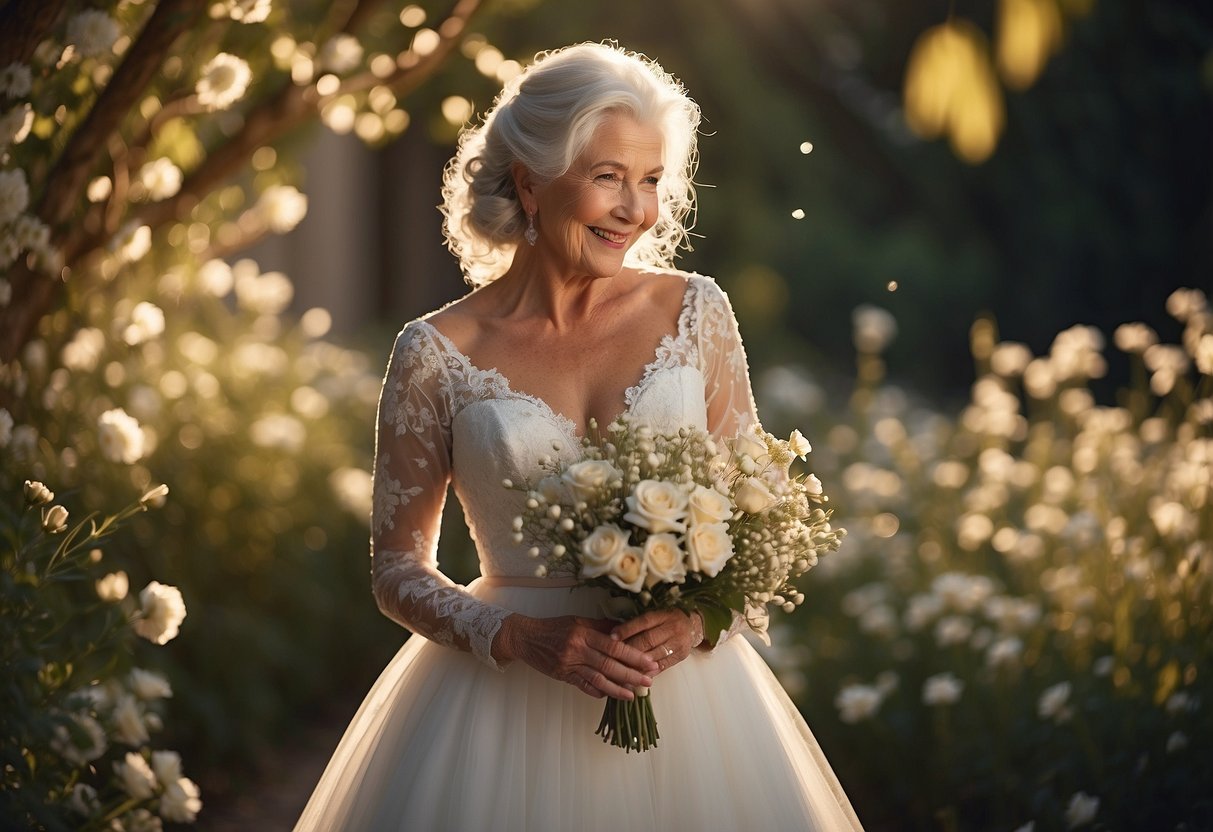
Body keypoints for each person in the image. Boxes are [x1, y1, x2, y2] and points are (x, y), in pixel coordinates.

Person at [295, 42, 864, 831]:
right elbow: (395, 570)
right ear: (530, 181)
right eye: (607, 177)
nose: (635, 209)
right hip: (495, 714)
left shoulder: (695, 313)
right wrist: (515, 636)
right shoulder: (434, 351)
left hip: (690, 705)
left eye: (652, 180)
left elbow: (756, 516)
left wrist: (700, 619)